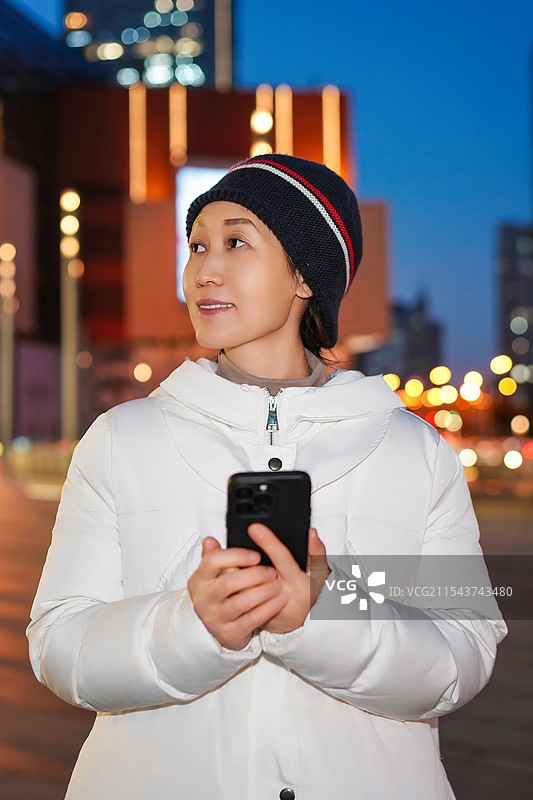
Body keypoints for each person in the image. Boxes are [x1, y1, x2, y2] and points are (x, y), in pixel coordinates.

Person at [28, 154, 506, 800]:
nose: (204, 269)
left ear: (305, 275)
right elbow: (60, 641)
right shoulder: (122, 441)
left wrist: (325, 607)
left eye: (235, 241)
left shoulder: (411, 452)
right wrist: (189, 626)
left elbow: (462, 649)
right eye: (195, 246)